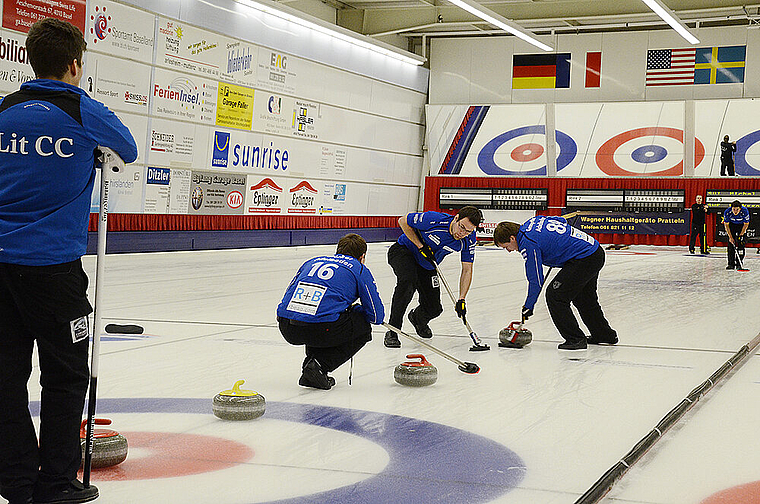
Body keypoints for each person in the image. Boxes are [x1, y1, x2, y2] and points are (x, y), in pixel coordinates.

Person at [0, 18, 138, 504]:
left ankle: (15, 481)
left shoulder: (5, 109)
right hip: (53, 269)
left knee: (6, 377)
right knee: (64, 375)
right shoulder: (80, 109)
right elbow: (129, 148)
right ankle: (57, 480)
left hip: (0, 266)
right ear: (75, 64)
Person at [277, 234, 385, 390]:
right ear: (363, 256)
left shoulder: (312, 262)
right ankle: (320, 365)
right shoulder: (358, 268)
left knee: (320, 316)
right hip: (321, 330)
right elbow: (376, 316)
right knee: (361, 325)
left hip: (287, 326)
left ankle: (311, 370)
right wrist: (356, 309)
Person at [493, 216, 617, 351]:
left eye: (506, 247)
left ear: (512, 238)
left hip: (584, 258)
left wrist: (529, 306)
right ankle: (604, 335)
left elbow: (536, 279)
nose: (509, 251)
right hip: (594, 251)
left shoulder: (527, 243)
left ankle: (575, 339)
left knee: (555, 295)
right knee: (584, 299)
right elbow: (561, 221)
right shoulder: (533, 221)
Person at [383, 206, 481, 348]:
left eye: (468, 231)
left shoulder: (468, 240)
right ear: (456, 218)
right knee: (407, 282)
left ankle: (417, 318)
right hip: (404, 252)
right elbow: (403, 221)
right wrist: (420, 246)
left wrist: (461, 299)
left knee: (434, 308)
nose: (463, 233)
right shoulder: (434, 220)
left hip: (427, 264)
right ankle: (393, 330)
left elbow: (467, 269)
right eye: (461, 227)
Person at [723, 200, 750, 270]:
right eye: (734, 209)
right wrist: (730, 237)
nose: (735, 211)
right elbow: (726, 225)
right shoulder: (727, 212)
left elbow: (746, 224)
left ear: (740, 209)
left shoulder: (745, 211)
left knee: (741, 244)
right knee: (731, 245)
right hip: (732, 226)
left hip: (741, 226)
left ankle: (739, 263)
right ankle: (731, 264)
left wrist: (741, 236)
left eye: (737, 210)